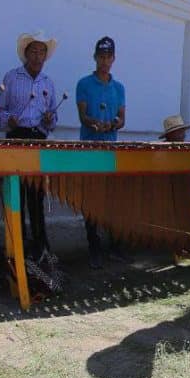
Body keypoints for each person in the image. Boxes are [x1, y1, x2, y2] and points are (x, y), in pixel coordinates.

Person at [0, 29, 61, 260]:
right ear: (26, 53)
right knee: (17, 197)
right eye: (33, 51)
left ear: (45, 56)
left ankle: (40, 247)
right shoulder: (11, 78)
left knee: (37, 197)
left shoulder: (48, 83)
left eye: (42, 52)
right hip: (16, 138)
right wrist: (8, 120)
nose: (37, 56)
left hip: (38, 140)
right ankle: (17, 249)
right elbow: (0, 112)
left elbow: (53, 120)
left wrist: (49, 119)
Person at [75, 36, 126, 268]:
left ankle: (115, 246)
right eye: (101, 57)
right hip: (89, 149)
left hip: (111, 149)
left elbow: (122, 119)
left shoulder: (119, 88)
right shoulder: (84, 84)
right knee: (91, 200)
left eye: (108, 57)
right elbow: (83, 116)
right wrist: (94, 123)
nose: (105, 61)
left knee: (113, 200)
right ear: (95, 57)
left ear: (113, 59)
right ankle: (93, 247)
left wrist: (114, 123)